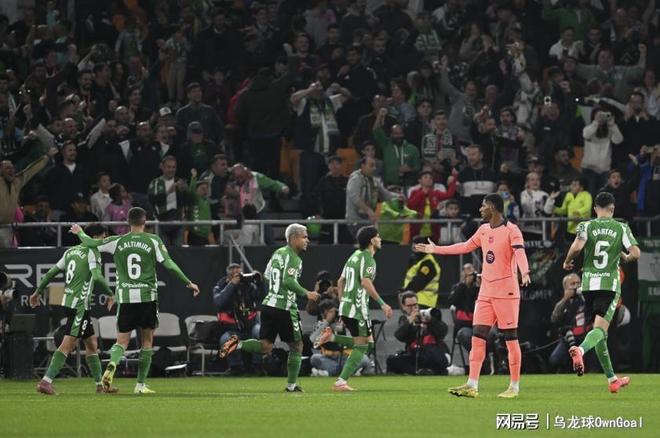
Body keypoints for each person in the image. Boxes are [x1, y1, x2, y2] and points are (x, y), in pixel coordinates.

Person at [69, 207, 200, 394]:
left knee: (122, 341)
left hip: (125, 298)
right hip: (147, 297)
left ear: (128, 222)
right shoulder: (153, 240)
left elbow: (91, 243)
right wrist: (188, 282)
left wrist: (79, 232)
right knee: (147, 341)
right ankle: (140, 385)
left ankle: (113, 364)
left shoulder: (117, 241)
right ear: (145, 221)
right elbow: (170, 265)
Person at [415, 193, 531, 398]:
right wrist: (436, 249)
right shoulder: (483, 229)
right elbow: (465, 246)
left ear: (493, 208)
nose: (480, 209)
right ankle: (472, 384)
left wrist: (525, 271)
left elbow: (520, 252)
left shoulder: (512, 230)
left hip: (506, 292)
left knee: (511, 338)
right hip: (486, 292)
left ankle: (514, 386)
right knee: (478, 336)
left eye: (483, 206)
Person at [219, 224, 320, 392]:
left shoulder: (277, 254)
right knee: (297, 346)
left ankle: (238, 345)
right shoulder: (294, 258)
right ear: (293, 238)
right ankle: (291, 385)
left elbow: (266, 276)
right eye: (304, 237)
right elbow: (288, 281)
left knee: (265, 346)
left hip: (268, 306)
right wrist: (307, 293)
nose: (307, 240)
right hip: (285, 308)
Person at [562, 192, 640, 393]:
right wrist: (626, 257)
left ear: (595, 209)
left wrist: (567, 261)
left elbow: (576, 247)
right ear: (612, 208)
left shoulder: (586, 226)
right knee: (600, 331)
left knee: (599, 334)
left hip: (589, 286)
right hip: (608, 285)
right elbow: (636, 253)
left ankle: (612, 380)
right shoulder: (621, 227)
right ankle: (580, 350)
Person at [30, 224, 115, 395]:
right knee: (68, 343)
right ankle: (46, 381)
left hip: (68, 302)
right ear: (95, 237)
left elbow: (51, 273)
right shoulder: (92, 252)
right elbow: (97, 276)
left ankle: (101, 385)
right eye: (102, 237)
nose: (103, 240)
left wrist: (37, 291)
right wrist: (110, 293)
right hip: (79, 305)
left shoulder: (70, 252)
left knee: (91, 343)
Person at [315, 226, 393, 391]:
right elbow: (365, 282)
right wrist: (382, 303)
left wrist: (343, 303)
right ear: (372, 240)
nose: (380, 239)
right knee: (363, 346)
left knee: (368, 344)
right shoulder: (368, 259)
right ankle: (341, 382)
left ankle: (332, 338)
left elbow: (340, 281)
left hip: (347, 307)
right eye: (378, 236)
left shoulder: (354, 256)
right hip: (358, 309)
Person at [213, 264, 264, 375]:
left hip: (250, 327)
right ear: (229, 276)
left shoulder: (248, 286)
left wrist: (259, 283)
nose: (240, 277)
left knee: (259, 331)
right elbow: (219, 302)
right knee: (226, 339)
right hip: (233, 329)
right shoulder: (221, 286)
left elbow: (262, 297)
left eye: (240, 274)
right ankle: (236, 367)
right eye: (236, 275)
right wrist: (232, 284)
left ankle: (258, 366)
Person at [386, 291, 449, 375]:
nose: (413, 308)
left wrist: (431, 321)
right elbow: (399, 336)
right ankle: (422, 371)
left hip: (433, 351)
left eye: (415, 305)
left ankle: (424, 371)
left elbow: (443, 332)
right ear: (404, 307)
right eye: (410, 306)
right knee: (392, 360)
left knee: (430, 354)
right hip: (415, 354)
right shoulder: (404, 319)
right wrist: (410, 321)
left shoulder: (427, 314)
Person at [549, 273, 587, 372]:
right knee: (554, 360)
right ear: (565, 287)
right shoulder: (563, 302)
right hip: (568, 338)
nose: (576, 286)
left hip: (585, 337)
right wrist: (565, 298)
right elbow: (554, 318)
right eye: (573, 284)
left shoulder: (585, 299)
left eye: (578, 283)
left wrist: (584, 296)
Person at [402, 235, 441, 309]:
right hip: (413, 300)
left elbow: (419, 282)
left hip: (424, 302)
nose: (414, 246)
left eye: (418, 244)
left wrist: (405, 292)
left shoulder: (428, 263)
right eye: (414, 243)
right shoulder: (414, 259)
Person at [448, 263, 479, 352]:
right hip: (464, 324)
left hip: (480, 323)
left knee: (492, 334)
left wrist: (479, 286)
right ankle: (478, 356)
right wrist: (464, 285)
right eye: (467, 273)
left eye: (472, 274)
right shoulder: (458, 287)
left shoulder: (478, 288)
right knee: (465, 334)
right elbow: (452, 301)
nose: (470, 276)